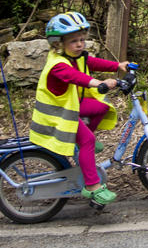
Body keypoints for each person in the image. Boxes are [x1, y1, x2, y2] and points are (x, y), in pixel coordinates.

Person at [29, 11, 129, 205]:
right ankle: (92, 187)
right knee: (88, 140)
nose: (80, 44)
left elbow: (91, 62)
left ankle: (81, 148)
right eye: (74, 41)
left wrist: (118, 65)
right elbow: (77, 77)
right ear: (58, 44)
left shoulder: (75, 57)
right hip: (59, 114)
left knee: (101, 108)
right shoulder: (58, 64)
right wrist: (99, 83)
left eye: (82, 39)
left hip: (71, 105)